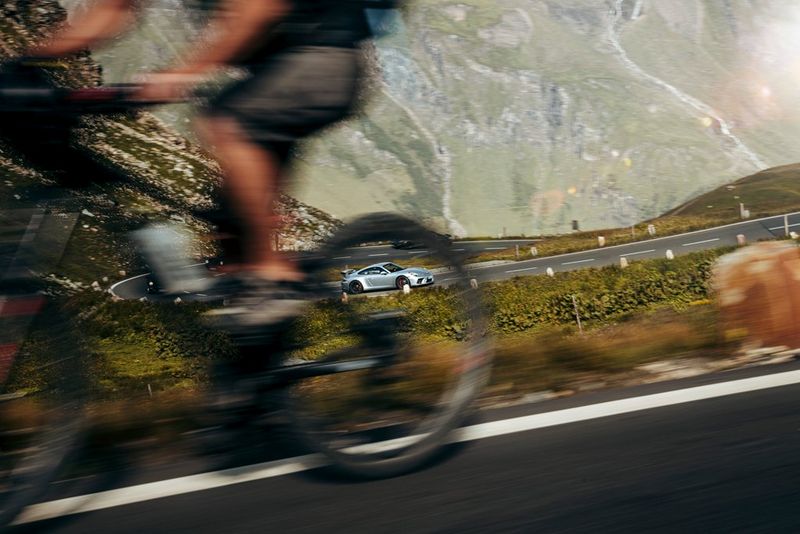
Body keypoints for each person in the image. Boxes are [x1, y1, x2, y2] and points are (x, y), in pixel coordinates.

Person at [28, 0, 390, 327]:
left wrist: (181, 74)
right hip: (276, 70)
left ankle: (270, 277)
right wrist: (28, 59)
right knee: (230, 225)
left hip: (325, 58)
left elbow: (259, 9)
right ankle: (260, 365)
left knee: (225, 124)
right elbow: (113, 9)